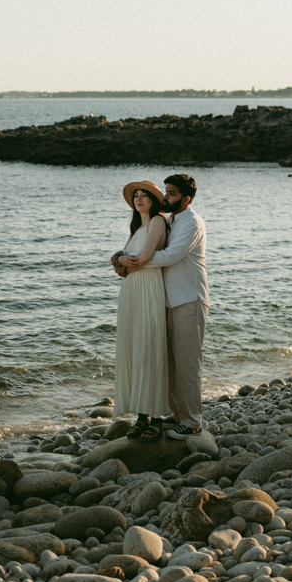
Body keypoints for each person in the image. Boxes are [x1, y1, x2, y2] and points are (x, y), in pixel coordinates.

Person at [114, 173, 208, 438]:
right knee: (170, 362)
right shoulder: (170, 220)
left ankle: (192, 422)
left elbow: (169, 256)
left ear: (186, 199)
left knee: (187, 363)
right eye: (166, 191)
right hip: (165, 298)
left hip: (188, 298)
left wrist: (127, 259)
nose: (165, 197)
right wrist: (121, 258)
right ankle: (177, 415)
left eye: (172, 193)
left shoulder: (192, 222)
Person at [110, 181, 171, 441]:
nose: (139, 198)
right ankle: (141, 417)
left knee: (149, 348)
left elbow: (142, 258)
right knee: (135, 348)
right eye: (136, 195)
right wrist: (120, 259)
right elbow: (123, 261)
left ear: (154, 200)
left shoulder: (158, 221)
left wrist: (121, 259)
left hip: (148, 288)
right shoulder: (137, 227)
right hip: (131, 292)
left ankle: (156, 418)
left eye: (144, 195)